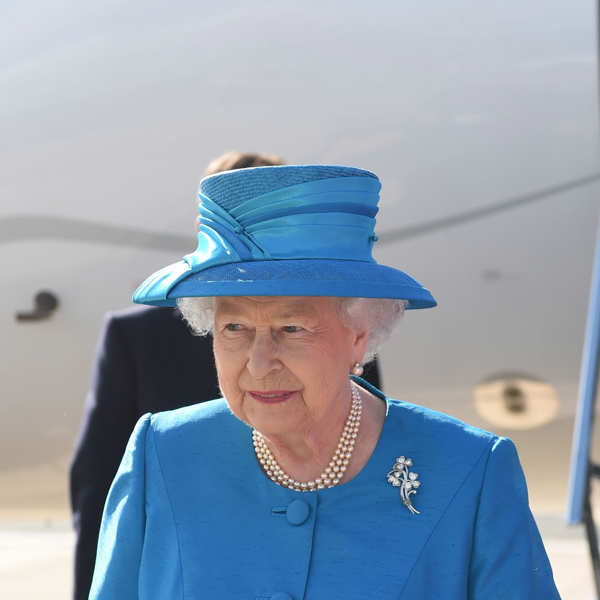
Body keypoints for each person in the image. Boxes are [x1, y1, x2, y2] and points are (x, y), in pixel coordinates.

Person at [89, 165, 560, 599]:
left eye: (291, 329)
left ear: (359, 337)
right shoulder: (163, 452)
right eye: (235, 328)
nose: (258, 363)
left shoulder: (469, 469)